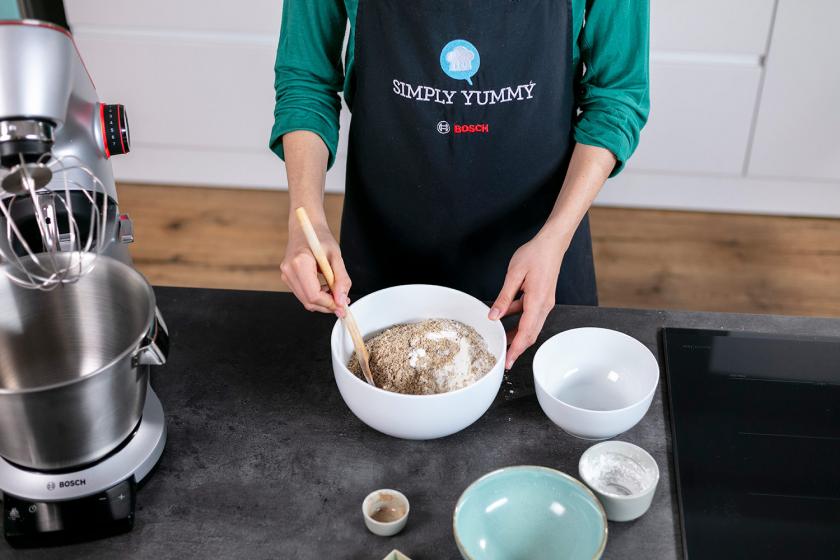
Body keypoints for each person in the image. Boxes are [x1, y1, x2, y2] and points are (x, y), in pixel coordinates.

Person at [272, 0, 649, 369]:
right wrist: (304, 215)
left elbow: (616, 96)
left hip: (540, 251)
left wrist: (557, 235)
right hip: (386, 238)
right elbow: (307, 79)